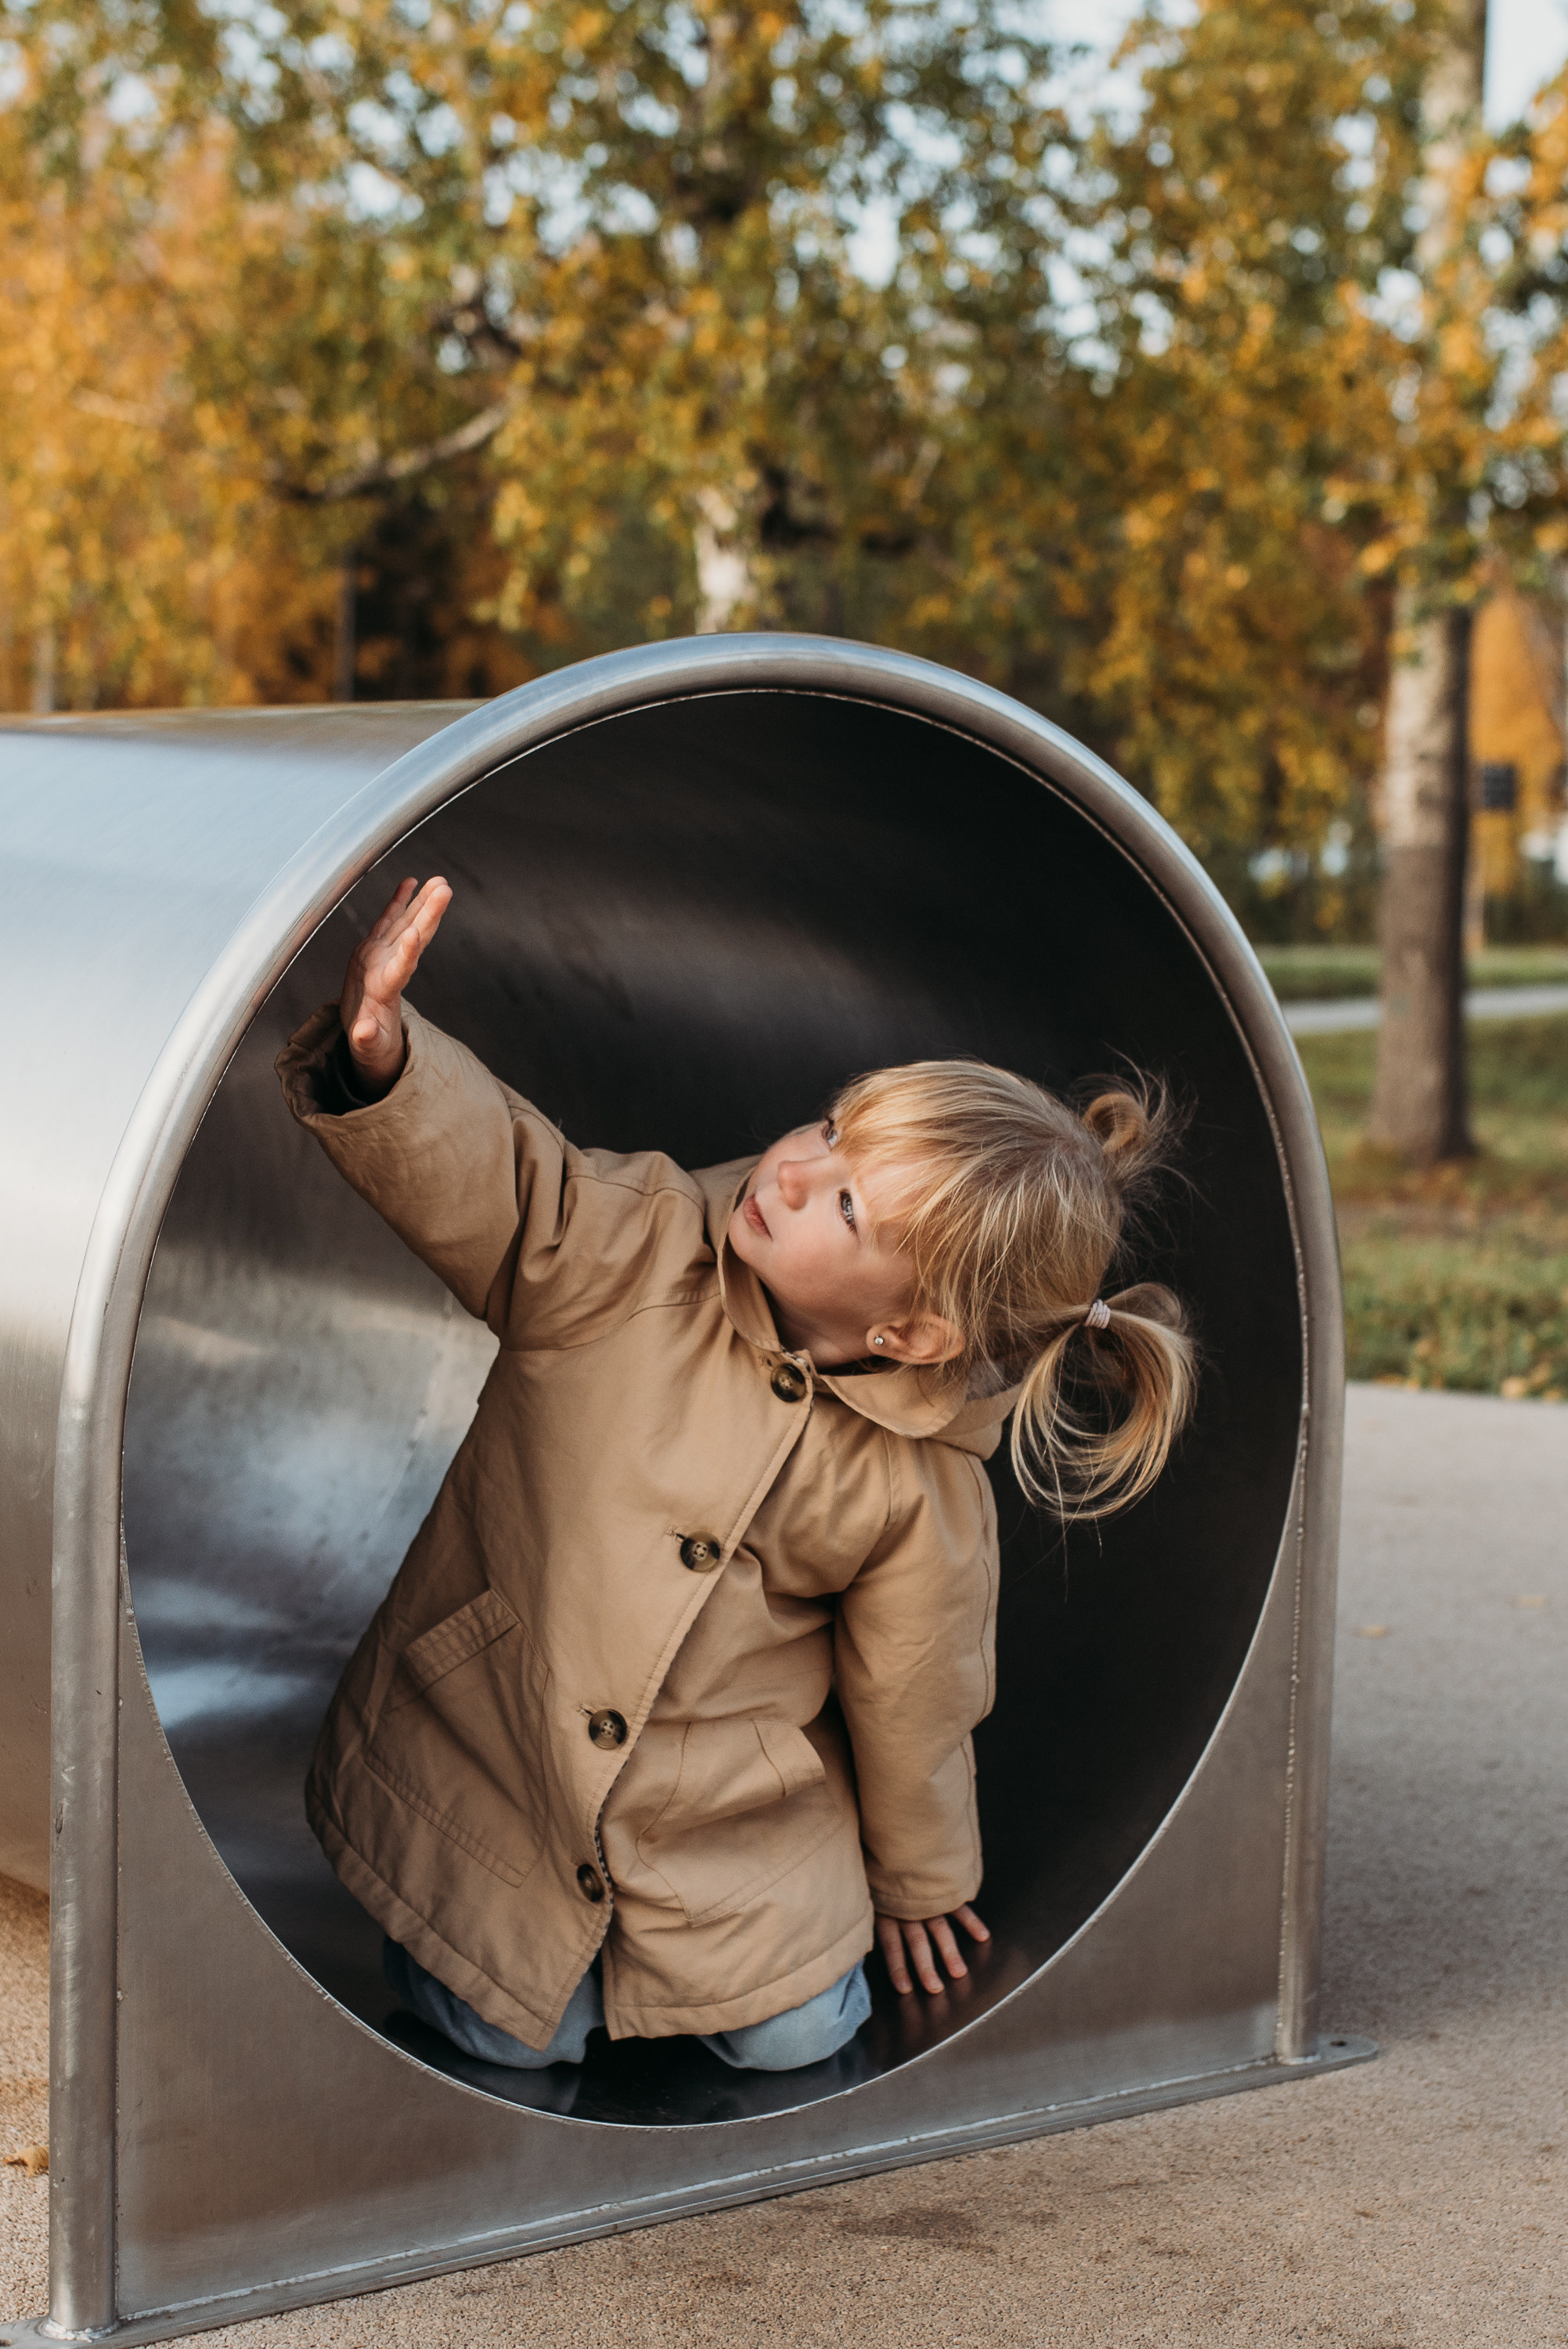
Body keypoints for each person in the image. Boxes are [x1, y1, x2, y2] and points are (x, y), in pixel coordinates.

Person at [276, 874, 1195, 2074]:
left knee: (795, 2038)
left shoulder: (921, 1488)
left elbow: (918, 1700)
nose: (795, 1172)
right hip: (509, 1752)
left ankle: (686, 1986)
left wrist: (922, 1885)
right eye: (829, 1130)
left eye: (851, 1206)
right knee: (514, 2033)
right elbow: (505, 1185)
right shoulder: (635, 1247)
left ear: (912, 1336)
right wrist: (389, 1059)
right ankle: (515, 1980)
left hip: (726, 1822)